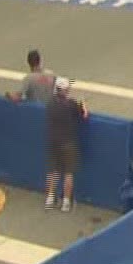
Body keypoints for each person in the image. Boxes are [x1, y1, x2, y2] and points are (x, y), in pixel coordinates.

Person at [45, 76, 87, 212]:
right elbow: (84, 115)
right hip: (68, 142)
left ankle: (50, 198)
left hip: (53, 141)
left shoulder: (50, 103)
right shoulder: (71, 104)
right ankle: (66, 202)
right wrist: (83, 105)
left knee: (53, 170)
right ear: (65, 90)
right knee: (69, 172)